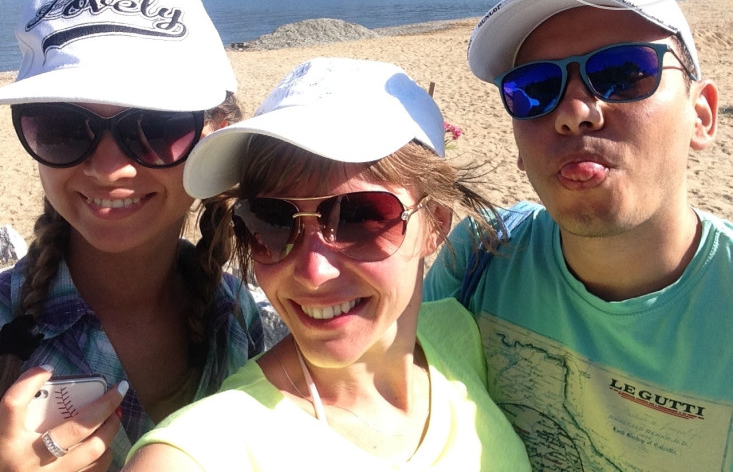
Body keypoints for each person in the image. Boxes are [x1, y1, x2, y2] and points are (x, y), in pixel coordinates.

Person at [123, 57, 531, 470]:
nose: (314, 272)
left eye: (359, 217)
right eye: (272, 221)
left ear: (436, 224)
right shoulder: (200, 451)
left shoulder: (465, 334)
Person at [424, 0, 733, 471]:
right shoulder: (482, 255)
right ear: (519, 147)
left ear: (701, 116)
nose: (573, 112)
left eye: (623, 73)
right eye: (534, 89)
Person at [0, 0, 264, 471]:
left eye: (156, 127)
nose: (108, 169)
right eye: (61, 127)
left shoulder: (234, 316)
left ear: (215, 137)